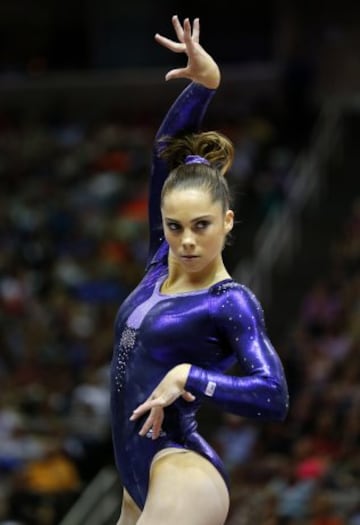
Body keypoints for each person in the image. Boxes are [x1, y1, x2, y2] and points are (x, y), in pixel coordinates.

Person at [110, 14, 289, 525]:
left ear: (228, 221)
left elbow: (272, 395)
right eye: (174, 226)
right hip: (136, 481)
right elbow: (163, 154)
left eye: (202, 225)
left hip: (182, 474)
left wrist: (193, 376)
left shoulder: (230, 301)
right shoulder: (157, 263)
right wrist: (205, 86)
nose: (186, 240)